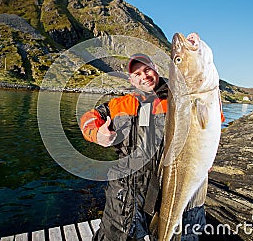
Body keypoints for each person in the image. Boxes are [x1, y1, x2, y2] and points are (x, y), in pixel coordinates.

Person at [80, 54, 209, 241]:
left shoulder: (180, 99)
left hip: (174, 188)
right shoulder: (120, 104)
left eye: (147, 69)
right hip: (126, 193)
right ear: (131, 79)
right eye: (137, 73)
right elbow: (88, 118)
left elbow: (210, 115)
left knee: (183, 236)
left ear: (155, 69)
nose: (144, 76)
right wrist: (96, 134)